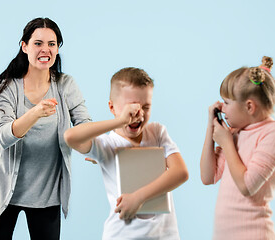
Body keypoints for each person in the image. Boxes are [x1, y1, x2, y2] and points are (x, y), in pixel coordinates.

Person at [0, 17, 91, 240]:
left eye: (52, 44)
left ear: (58, 49)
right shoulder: (9, 87)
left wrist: (95, 149)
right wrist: (34, 113)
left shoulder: (66, 85)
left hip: (46, 196)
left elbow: (84, 124)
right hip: (4, 195)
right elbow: (2, 136)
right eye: (38, 43)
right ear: (24, 46)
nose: (45, 50)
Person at [64, 67, 189, 240]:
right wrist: (120, 120)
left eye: (146, 107)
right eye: (131, 108)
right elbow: (70, 137)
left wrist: (138, 197)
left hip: (165, 235)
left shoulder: (158, 132)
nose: (139, 114)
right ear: (112, 107)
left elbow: (180, 172)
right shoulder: (106, 145)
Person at [200, 56, 275, 240]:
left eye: (227, 102)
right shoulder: (236, 132)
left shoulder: (274, 132)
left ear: (249, 106)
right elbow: (207, 177)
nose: (222, 108)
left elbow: (247, 186)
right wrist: (211, 127)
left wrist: (226, 143)